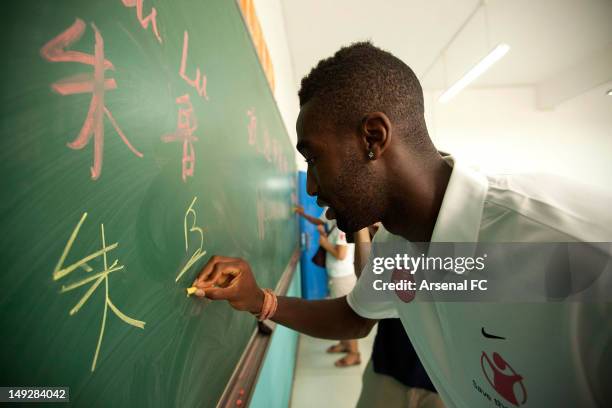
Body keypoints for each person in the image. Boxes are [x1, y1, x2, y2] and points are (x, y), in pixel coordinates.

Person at [192, 42, 612, 407]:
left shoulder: (579, 249)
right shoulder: (396, 245)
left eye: (314, 158)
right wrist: (258, 300)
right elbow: (356, 316)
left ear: (373, 138)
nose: (313, 186)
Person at [295, 205, 361, 367]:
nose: (324, 215)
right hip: (336, 276)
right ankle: (344, 344)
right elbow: (319, 221)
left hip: (343, 277)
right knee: (340, 313)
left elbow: (341, 254)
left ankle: (354, 353)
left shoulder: (342, 229)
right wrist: (305, 216)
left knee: (346, 316)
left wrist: (324, 243)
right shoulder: (334, 225)